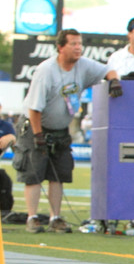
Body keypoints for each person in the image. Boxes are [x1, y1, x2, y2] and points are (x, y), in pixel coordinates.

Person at [13, 29, 122, 233]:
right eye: (73, 44)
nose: (78, 47)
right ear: (61, 47)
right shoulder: (46, 71)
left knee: (59, 174)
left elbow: (109, 70)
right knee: (34, 173)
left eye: (80, 44)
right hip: (35, 125)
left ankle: (55, 217)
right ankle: (32, 217)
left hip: (60, 128)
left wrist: (114, 81)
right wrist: (37, 136)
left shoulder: (83, 65)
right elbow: (34, 109)